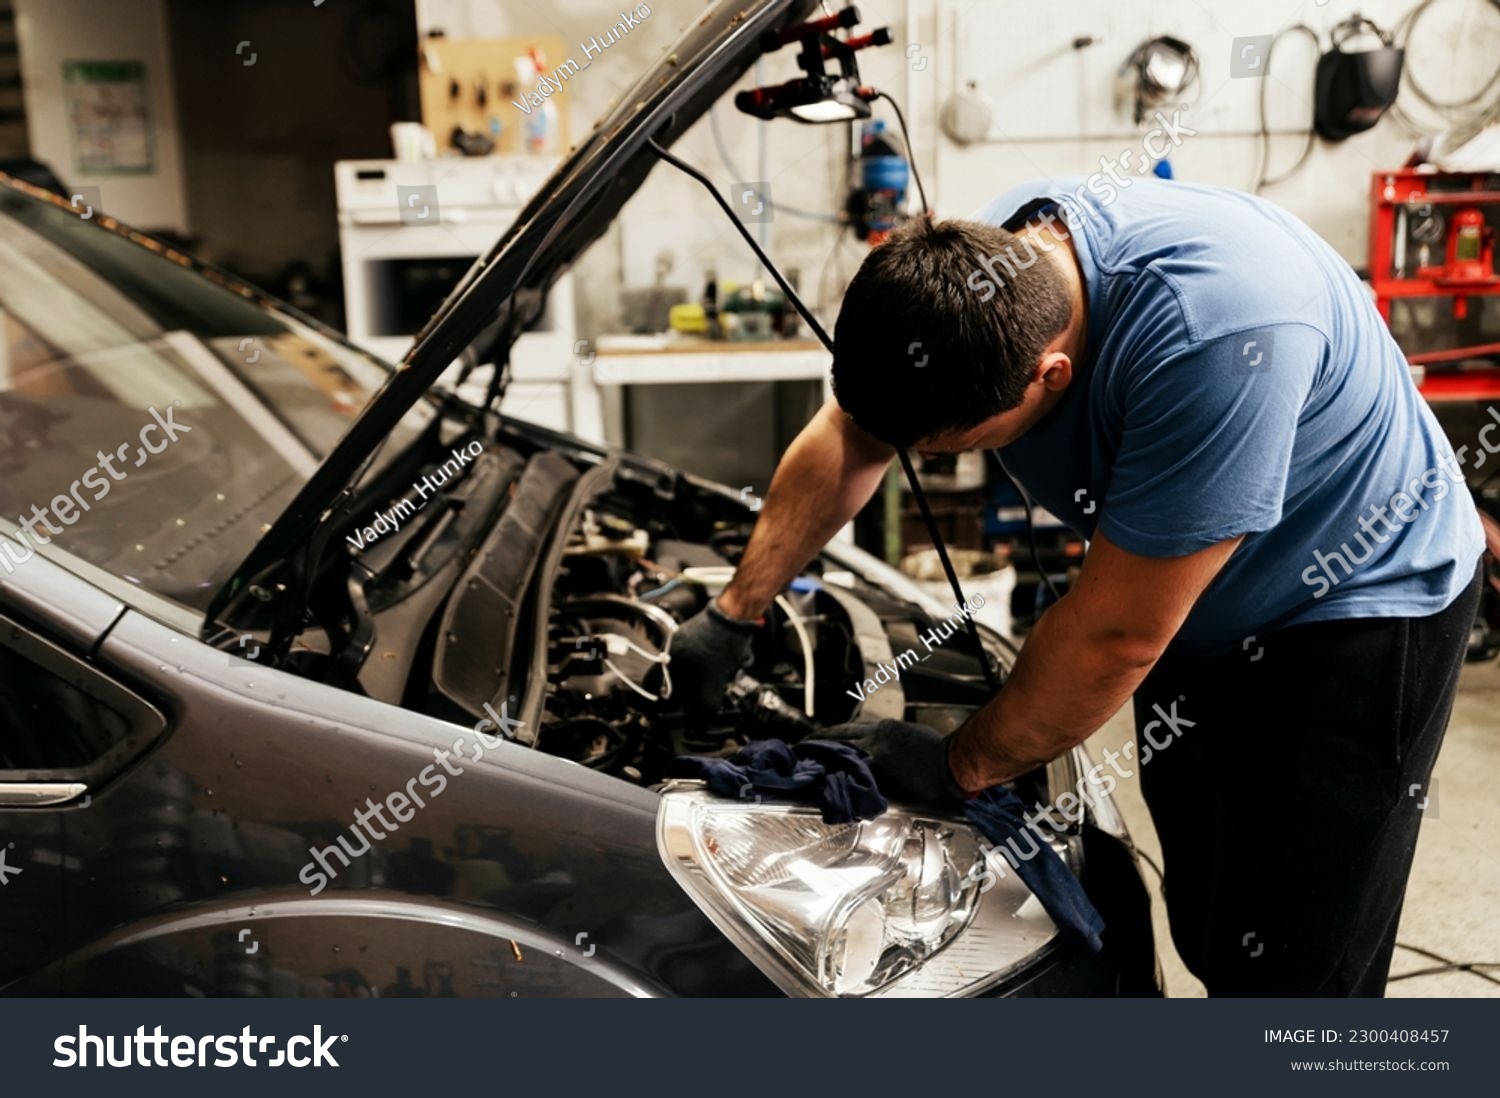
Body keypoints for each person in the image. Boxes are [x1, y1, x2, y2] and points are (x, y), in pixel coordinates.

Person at [668, 176, 1484, 996]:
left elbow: (1116, 635)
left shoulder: (1215, 340)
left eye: (956, 447)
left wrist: (960, 763)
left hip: (1355, 602)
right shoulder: (987, 267)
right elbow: (851, 436)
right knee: (1213, 909)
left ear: (1052, 375)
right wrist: (737, 611)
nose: (925, 460)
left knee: (1302, 959)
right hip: (1196, 601)